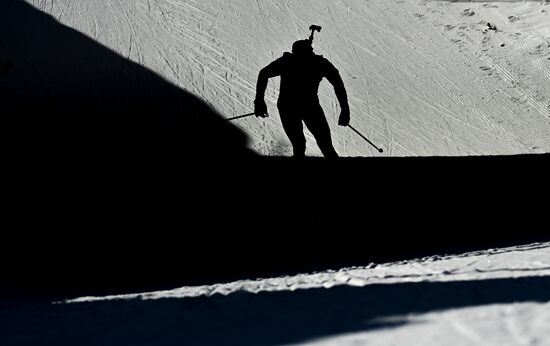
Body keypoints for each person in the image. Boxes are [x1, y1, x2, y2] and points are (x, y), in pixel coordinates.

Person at [254, 39, 350, 158]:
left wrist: (259, 101)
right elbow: (338, 84)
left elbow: (264, 73)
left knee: (301, 144)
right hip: (308, 106)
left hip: (289, 106)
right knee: (323, 143)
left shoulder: (288, 61)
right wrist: (344, 109)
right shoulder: (318, 63)